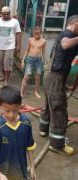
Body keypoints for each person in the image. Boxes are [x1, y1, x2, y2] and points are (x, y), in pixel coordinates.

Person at [39, 15, 78, 155]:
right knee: (59, 108)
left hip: (51, 76)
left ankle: (43, 129)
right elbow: (65, 44)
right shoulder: (68, 35)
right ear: (76, 24)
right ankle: (57, 144)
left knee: (49, 104)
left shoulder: (68, 35)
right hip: (56, 76)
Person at [0, 6, 21, 85]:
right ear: (1, 14)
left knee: (7, 63)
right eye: (4, 14)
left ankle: (6, 80)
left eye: (7, 14)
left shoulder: (15, 21)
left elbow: (18, 33)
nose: (5, 16)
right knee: (0, 63)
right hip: (0, 45)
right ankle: (4, 76)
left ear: (9, 13)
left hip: (10, 46)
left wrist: (18, 45)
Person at [20, 27, 46, 98]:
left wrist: (45, 62)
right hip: (30, 59)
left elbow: (43, 52)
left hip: (39, 60)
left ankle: (36, 91)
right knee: (26, 76)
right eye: (35, 34)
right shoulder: (30, 40)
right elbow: (27, 50)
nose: (36, 35)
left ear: (41, 33)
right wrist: (23, 61)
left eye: (38, 34)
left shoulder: (43, 41)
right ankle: (21, 92)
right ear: (33, 33)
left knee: (37, 77)